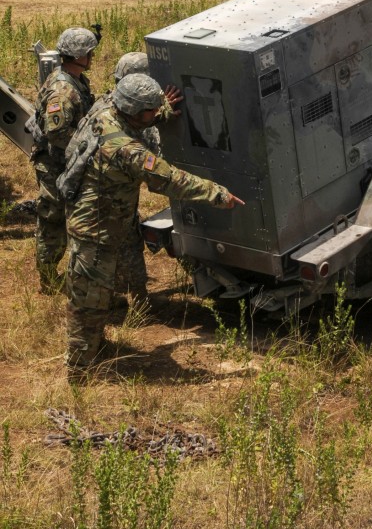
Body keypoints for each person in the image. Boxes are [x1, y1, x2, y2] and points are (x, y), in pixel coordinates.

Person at [65, 73, 244, 380]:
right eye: (150, 109)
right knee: (88, 304)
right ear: (135, 111)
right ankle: (81, 372)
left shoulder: (104, 112)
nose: (154, 113)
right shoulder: (125, 150)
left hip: (103, 223)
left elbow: (139, 121)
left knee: (99, 296)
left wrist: (161, 112)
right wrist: (218, 194)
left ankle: (95, 347)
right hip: (95, 233)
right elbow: (168, 178)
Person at [68, 51, 182, 304]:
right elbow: (156, 169)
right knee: (112, 250)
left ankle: (127, 297)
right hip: (102, 199)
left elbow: (138, 122)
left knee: (120, 246)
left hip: (110, 195)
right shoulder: (112, 118)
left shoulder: (112, 106)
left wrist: (162, 110)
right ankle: (120, 302)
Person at [30, 27, 98, 293]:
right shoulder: (63, 90)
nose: (92, 56)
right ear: (79, 55)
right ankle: (48, 280)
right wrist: (88, 144)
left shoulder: (76, 79)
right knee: (52, 221)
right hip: (54, 165)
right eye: (89, 52)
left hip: (66, 163)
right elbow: (57, 133)